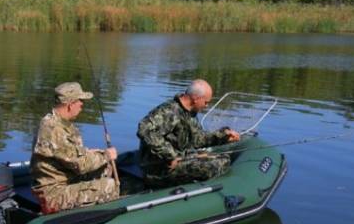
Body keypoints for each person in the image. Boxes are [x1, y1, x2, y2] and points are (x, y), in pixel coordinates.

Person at [30, 82, 119, 214]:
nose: (82, 106)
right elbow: (80, 165)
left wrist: (90, 153)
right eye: (80, 102)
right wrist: (106, 155)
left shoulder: (60, 123)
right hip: (53, 195)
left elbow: (69, 153)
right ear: (71, 104)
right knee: (109, 185)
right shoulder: (54, 129)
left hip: (64, 181)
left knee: (105, 168)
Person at [137, 79, 241, 188]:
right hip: (158, 169)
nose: (207, 106)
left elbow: (198, 139)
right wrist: (170, 156)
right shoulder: (169, 111)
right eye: (206, 102)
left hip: (177, 159)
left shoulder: (189, 114)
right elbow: (144, 129)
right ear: (196, 99)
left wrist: (223, 135)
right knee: (218, 164)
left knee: (223, 158)